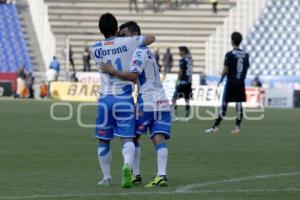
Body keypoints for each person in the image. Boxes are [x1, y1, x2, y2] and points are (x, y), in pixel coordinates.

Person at [101, 21, 171, 188]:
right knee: (158, 137)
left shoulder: (138, 52)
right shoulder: (149, 52)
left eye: (124, 36)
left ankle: (135, 174)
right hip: (162, 100)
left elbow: (133, 76)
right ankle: (161, 175)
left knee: (131, 137)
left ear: (134, 36)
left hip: (146, 100)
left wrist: (113, 71)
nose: (122, 40)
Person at [90, 13, 155, 188]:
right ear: (117, 29)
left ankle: (106, 177)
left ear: (101, 29)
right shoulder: (128, 42)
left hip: (105, 98)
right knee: (128, 138)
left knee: (103, 140)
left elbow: (109, 48)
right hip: (124, 97)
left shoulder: (94, 48)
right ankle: (127, 166)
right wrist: (128, 39)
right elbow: (151, 38)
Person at [206, 32, 250, 135]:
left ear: (232, 41)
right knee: (239, 105)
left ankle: (215, 127)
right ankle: (237, 127)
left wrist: (221, 80)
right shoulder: (245, 54)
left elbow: (226, 70)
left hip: (231, 83)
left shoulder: (230, 54)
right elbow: (247, 67)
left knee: (224, 105)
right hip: (240, 82)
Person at [172, 46, 193, 121]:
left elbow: (181, 71)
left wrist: (177, 81)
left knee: (174, 98)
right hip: (189, 82)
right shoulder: (190, 59)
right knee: (187, 99)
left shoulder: (182, 60)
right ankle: (186, 117)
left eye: (180, 51)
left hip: (182, 82)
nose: (179, 52)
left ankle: (174, 116)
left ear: (183, 51)